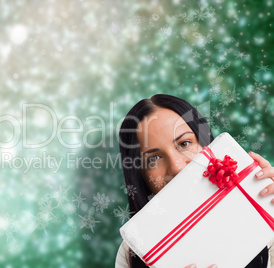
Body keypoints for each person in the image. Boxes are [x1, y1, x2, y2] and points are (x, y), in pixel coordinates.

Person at [115, 94, 273, 268]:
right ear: (141, 176)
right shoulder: (133, 252)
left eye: (184, 144)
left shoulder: (263, 217)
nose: (177, 167)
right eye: (154, 158)